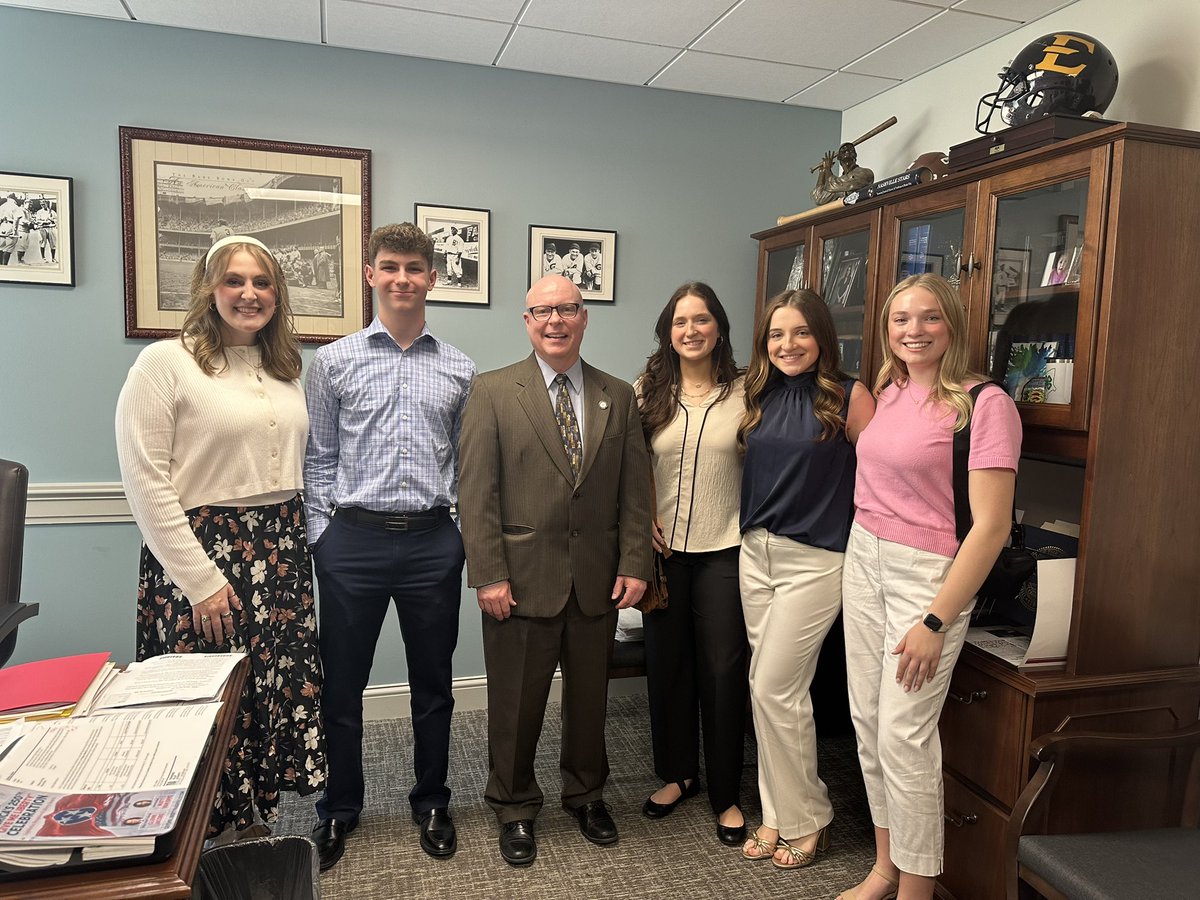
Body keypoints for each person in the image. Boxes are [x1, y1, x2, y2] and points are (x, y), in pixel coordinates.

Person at [115, 234, 326, 841]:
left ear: (278, 295)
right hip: (204, 554)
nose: (249, 294)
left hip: (280, 549)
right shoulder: (165, 362)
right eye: (235, 281)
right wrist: (201, 582)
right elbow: (146, 481)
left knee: (268, 688)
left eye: (262, 283)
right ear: (210, 290)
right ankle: (199, 835)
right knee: (209, 696)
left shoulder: (284, 367)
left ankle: (252, 823)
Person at [458, 274, 652, 867]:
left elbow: (635, 492)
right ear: (526, 321)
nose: (555, 321)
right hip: (517, 581)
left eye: (567, 309)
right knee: (516, 703)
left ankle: (586, 794)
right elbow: (476, 492)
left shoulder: (617, 395)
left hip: (597, 578)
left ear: (584, 317)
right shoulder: (491, 391)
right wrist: (488, 573)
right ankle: (514, 804)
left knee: (590, 701)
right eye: (542, 311)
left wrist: (636, 563)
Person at [837, 273, 1020, 900]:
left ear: (953, 326)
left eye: (930, 318)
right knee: (866, 721)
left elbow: (991, 527)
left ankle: (917, 888)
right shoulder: (886, 389)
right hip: (864, 557)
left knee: (904, 734)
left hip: (927, 574)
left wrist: (937, 621)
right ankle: (885, 868)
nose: (914, 331)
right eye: (901, 320)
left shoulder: (983, 404)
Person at [304, 223, 475, 870]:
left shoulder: (459, 369)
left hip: (433, 542)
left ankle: (431, 800)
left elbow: (465, 466)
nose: (402, 278)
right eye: (390, 267)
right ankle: (338, 810)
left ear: (432, 278)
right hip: (352, 542)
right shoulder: (334, 362)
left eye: (414, 267)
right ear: (370, 274)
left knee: (433, 685)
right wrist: (323, 538)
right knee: (340, 688)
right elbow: (318, 458)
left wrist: (457, 536)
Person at [737, 289, 875, 871]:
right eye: (775, 334)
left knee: (776, 689)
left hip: (815, 558)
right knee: (766, 692)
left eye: (799, 332)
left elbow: (882, 477)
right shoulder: (756, 393)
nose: (787, 344)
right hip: (755, 553)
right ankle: (777, 813)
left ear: (822, 336)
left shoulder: (850, 395)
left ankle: (810, 814)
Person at [636, 282, 749, 846]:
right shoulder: (646, 393)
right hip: (664, 557)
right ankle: (679, 774)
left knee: (724, 673)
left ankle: (727, 794)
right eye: (680, 322)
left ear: (719, 328)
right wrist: (638, 523)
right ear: (668, 332)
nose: (691, 330)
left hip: (727, 551)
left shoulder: (750, 392)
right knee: (669, 666)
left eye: (701, 319)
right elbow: (628, 473)